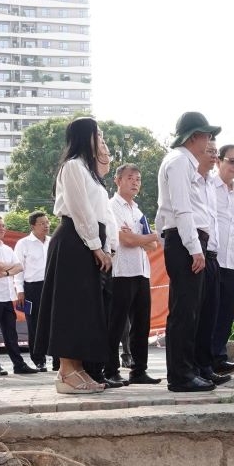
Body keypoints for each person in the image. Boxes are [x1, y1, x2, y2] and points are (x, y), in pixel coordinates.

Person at [34, 116, 115, 394]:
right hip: (74, 241)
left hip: (88, 241)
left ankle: (76, 368)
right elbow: (81, 210)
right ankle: (66, 372)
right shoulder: (72, 167)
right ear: (84, 136)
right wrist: (96, 246)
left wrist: (105, 246)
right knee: (70, 308)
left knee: (84, 309)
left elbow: (103, 214)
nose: (101, 140)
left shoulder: (90, 172)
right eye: (98, 134)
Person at [155, 112, 221, 392]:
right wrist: (194, 249)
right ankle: (180, 375)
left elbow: (163, 214)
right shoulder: (180, 162)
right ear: (194, 137)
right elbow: (181, 209)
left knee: (190, 310)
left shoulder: (183, 162)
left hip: (185, 240)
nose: (208, 142)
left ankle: (188, 370)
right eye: (206, 135)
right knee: (184, 311)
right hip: (186, 242)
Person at [103, 163, 160, 386]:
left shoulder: (137, 210)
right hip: (121, 272)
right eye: (130, 178)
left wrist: (142, 238)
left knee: (141, 324)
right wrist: (150, 236)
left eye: (138, 179)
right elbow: (125, 240)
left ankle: (138, 370)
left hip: (141, 271)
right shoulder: (112, 207)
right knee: (116, 323)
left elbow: (152, 247)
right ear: (117, 180)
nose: (135, 182)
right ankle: (110, 370)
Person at [191, 139, 231, 386]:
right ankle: (191, 369)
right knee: (194, 316)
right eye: (210, 150)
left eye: (216, 151)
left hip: (213, 254)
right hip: (197, 252)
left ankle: (205, 367)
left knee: (209, 315)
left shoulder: (210, 185)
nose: (214, 155)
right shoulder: (191, 180)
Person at [0, 214, 36, 375]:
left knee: (11, 332)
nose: (2, 228)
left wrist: (5, 272)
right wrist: (10, 267)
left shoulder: (7, 248)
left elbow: (19, 267)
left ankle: (18, 364)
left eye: (3, 226)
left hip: (7, 295)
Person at [209, 144, 234, 374]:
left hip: (232, 260)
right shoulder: (208, 187)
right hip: (212, 258)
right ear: (218, 161)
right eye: (231, 161)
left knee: (226, 312)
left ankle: (219, 357)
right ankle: (204, 360)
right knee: (209, 312)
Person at [14, 210, 49, 371]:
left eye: (47, 222)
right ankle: (39, 359)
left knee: (53, 322)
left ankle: (58, 359)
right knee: (34, 324)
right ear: (33, 226)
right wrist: (19, 290)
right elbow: (18, 268)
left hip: (50, 286)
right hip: (31, 288)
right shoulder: (23, 243)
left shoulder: (51, 241)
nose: (46, 226)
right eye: (42, 223)